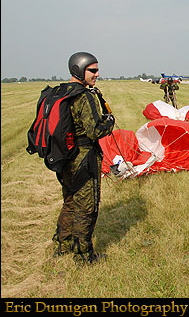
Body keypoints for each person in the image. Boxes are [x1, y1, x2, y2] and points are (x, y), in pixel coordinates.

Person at [53, 52, 115, 264]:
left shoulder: (62, 92)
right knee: (87, 206)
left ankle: (63, 244)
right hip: (83, 157)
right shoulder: (84, 96)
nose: (97, 74)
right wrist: (109, 122)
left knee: (70, 200)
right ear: (79, 70)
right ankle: (83, 254)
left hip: (64, 157)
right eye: (93, 70)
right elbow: (94, 131)